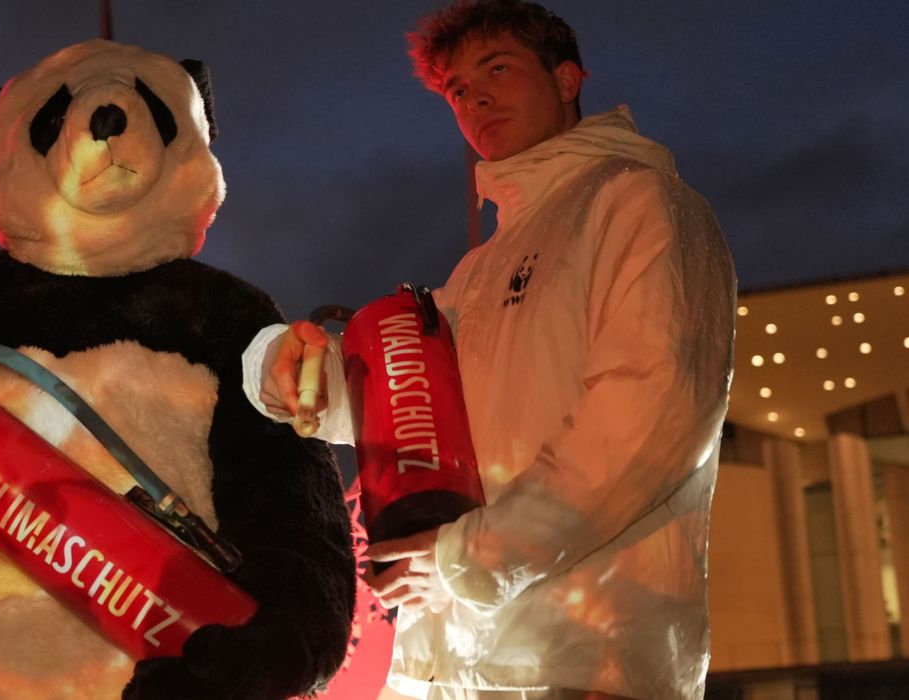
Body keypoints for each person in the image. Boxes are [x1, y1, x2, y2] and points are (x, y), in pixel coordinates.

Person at [240, 1, 737, 699]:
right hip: (449, 664)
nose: (475, 98)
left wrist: (473, 558)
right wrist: (286, 367)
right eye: (457, 91)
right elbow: (404, 401)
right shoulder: (480, 270)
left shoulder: (639, 202)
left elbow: (650, 409)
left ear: (567, 79)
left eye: (495, 70)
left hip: (584, 662)